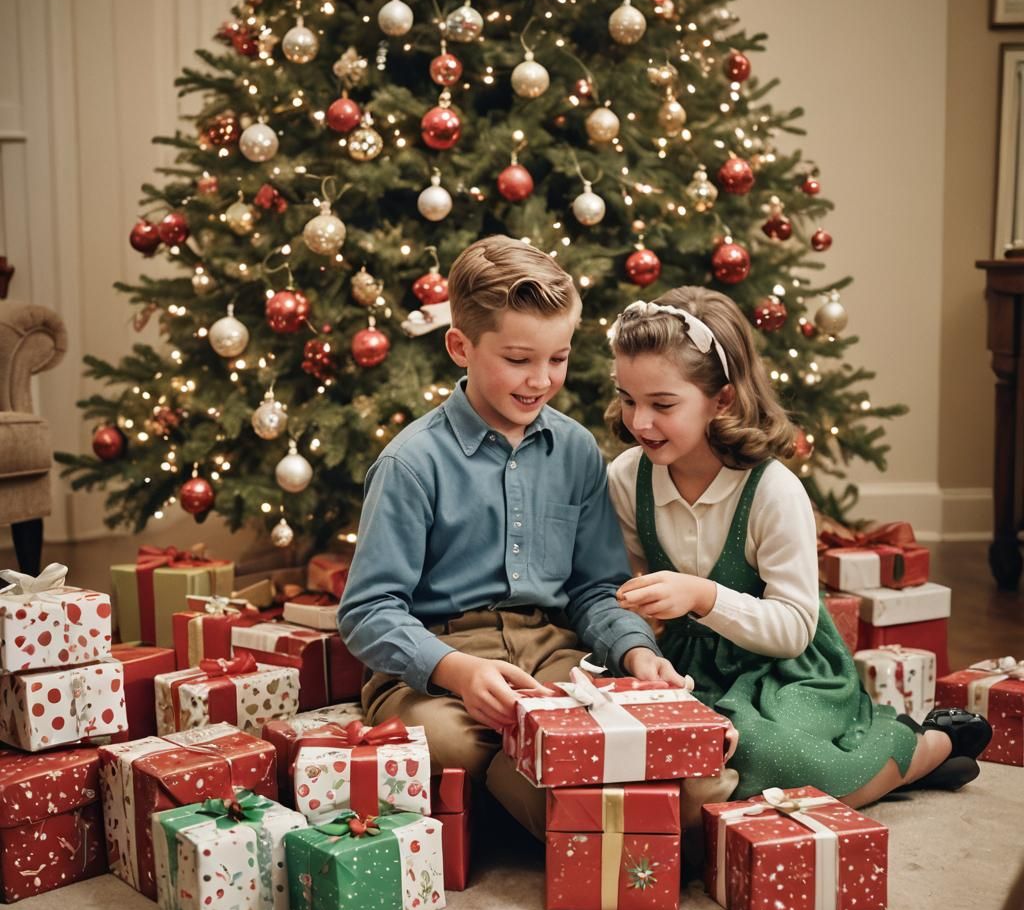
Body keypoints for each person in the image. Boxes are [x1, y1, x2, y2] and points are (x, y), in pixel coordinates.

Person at [339, 235, 691, 840]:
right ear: (460, 346)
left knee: (618, 727)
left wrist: (638, 653)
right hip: (440, 663)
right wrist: (456, 671)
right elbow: (368, 612)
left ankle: (583, 806)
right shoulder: (410, 464)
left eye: (559, 359)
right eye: (519, 360)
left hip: (552, 651)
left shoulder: (577, 450)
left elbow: (596, 588)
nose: (541, 380)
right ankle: (583, 819)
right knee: (450, 743)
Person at [604, 287, 992, 808]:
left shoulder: (771, 489)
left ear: (723, 399)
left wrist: (702, 596)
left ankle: (921, 748)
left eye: (662, 404)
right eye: (629, 399)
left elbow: (791, 630)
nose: (640, 422)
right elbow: (628, 597)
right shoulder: (628, 479)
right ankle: (878, 769)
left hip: (785, 671)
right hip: (684, 664)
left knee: (765, 756)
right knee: (669, 751)